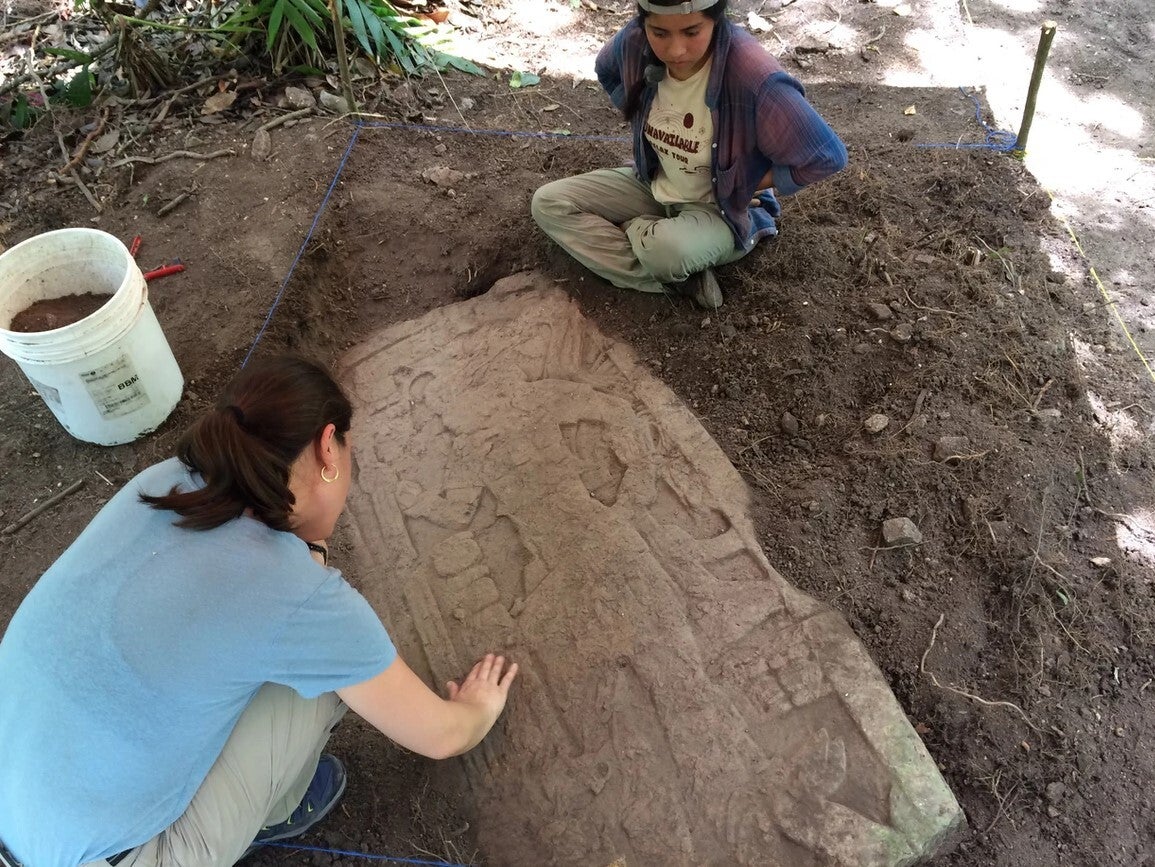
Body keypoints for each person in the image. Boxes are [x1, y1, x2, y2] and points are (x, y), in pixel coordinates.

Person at [0, 355, 519, 867]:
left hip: (18, 798)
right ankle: (277, 809)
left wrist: (306, 553)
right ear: (327, 447)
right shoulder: (298, 598)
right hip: (108, 855)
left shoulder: (162, 483)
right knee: (324, 684)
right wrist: (478, 709)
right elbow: (441, 735)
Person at [531, 0, 848, 309]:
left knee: (667, 252)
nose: (675, 51)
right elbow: (607, 70)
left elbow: (825, 155)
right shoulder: (634, 41)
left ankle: (638, 233)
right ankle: (682, 280)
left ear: (717, 18)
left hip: (723, 208)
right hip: (655, 181)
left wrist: (745, 183)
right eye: (660, 33)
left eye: (692, 32)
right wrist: (641, 112)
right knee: (549, 202)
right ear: (645, 22)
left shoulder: (753, 75)